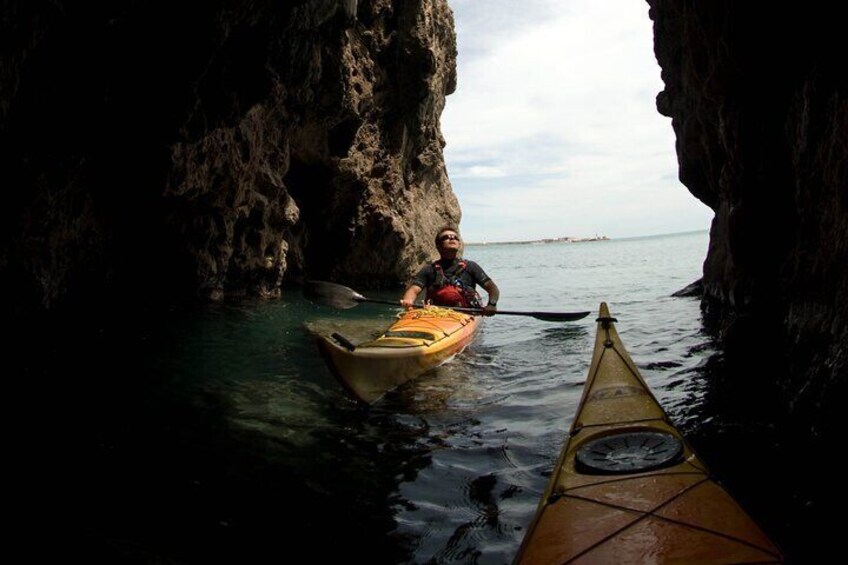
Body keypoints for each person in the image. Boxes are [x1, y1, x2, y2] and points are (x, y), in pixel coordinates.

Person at [400, 226, 500, 316]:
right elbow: (413, 290)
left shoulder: (471, 266)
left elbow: (493, 288)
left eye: (455, 237)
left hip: (465, 314)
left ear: (459, 244)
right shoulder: (429, 269)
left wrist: (492, 304)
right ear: (438, 245)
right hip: (435, 314)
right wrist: (408, 302)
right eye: (446, 237)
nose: (451, 238)